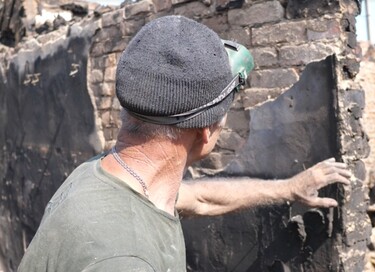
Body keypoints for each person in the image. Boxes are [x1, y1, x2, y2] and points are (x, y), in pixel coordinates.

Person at [18, 15, 352, 271]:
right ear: (206, 131)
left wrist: (289, 189)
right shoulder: (125, 258)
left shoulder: (104, 174)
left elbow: (202, 198)